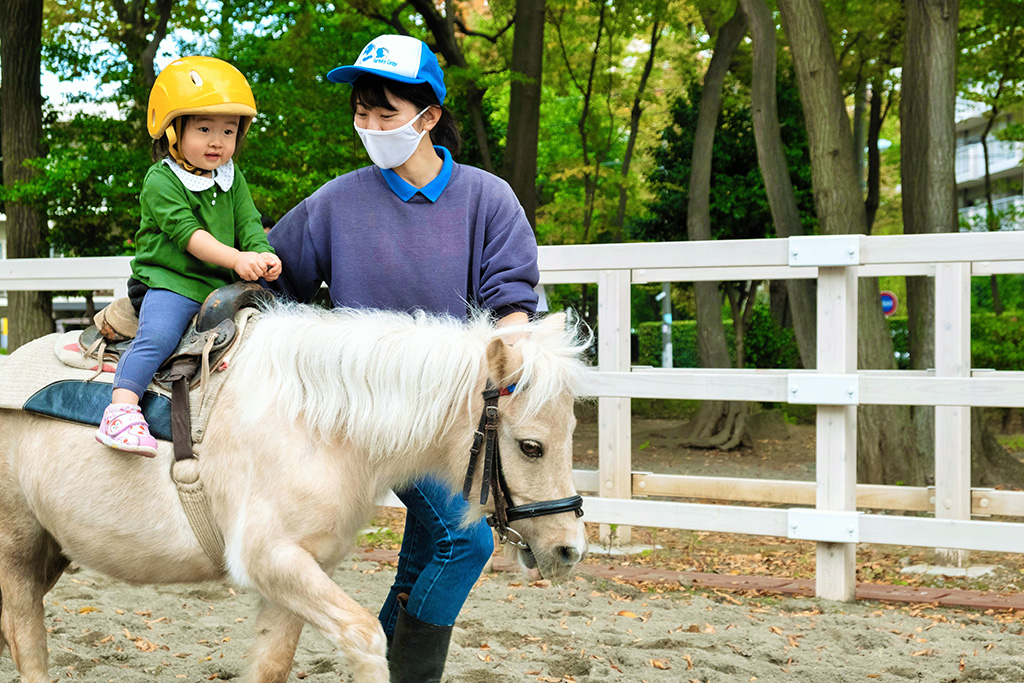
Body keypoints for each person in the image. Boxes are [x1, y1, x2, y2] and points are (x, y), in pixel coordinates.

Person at [267, 34, 540, 682]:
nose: (368, 125)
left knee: (426, 555)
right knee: (464, 537)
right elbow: (272, 281)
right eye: (361, 111)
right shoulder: (336, 202)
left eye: (383, 112)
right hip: (374, 414)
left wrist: (513, 361)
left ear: (429, 116)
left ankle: (381, 669)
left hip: (456, 419)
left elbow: (512, 304)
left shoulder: (487, 198)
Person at [95, 56, 282, 456]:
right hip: (171, 282)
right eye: (203, 128)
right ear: (172, 131)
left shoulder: (232, 177)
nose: (218, 141)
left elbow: (249, 222)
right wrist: (236, 259)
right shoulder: (161, 179)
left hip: (219, 287)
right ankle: (121, 409)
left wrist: (263, 253)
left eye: (228, 131)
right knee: (159, 336)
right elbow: (189, 235)